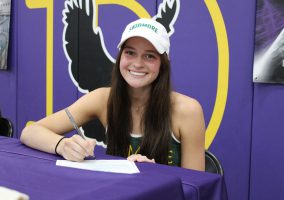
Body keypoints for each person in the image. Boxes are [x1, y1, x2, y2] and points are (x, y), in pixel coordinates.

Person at [21, 18, 205, 171]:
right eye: (130, 53)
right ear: (120, 58)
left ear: (163, 63)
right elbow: (30, 132)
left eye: (150, 56)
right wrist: (63, 145)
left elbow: (198, 187)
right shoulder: (102, 99)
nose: (137, 63)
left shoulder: (187, 110)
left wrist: (157, 174)